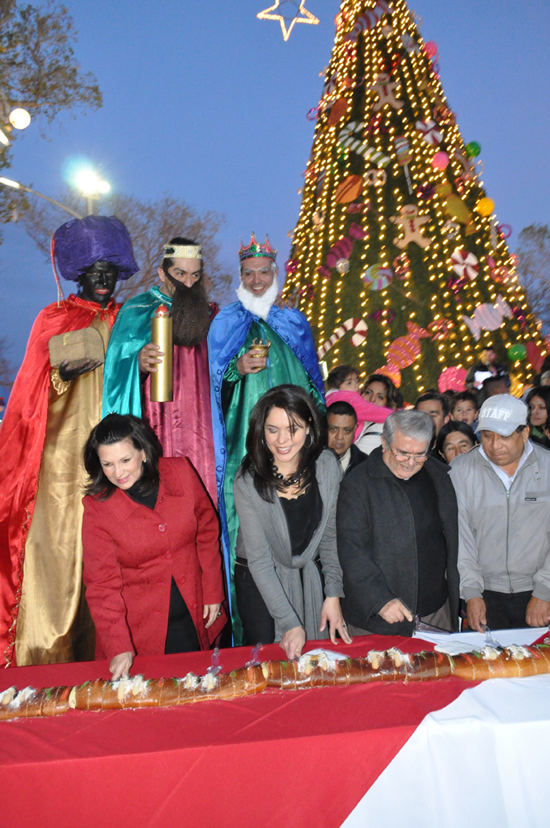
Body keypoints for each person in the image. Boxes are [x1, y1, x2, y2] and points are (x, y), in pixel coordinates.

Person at [0, 215, 138, 667]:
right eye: (95, 272)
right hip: (60, 467)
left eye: (111, 272)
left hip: (119, 465)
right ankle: (45, 663)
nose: (103, 281)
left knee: (113, 564)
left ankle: (111, 661)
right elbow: (29, 396)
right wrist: (61, 376)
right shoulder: (53, 319)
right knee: (58, 563)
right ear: (79, 274)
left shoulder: (129, 320)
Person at [208, 234, 324, 641]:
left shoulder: (294, 323)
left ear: (276, 274)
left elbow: (314, 388)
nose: (257, 280)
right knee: (249, 536)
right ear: (239, 277)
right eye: (248, 273)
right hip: (246, 447)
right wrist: (235, 369)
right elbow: (209, 390)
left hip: (297, 452)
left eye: (263, 272)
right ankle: (251, 633)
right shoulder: (224, 324)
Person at [82, 414, 227, 680]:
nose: (118, 472)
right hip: (139, 633)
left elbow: (207, 531)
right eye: (108, 464)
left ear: (144, 452)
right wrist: (118, 646)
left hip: (193, 615)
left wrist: (213, 591)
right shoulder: (97, 509)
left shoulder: (180, 472)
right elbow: (101, 585)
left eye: (125, 460)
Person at [233, 385, 351, 659]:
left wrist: (332, 593)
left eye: (293, 428)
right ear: (261, 432)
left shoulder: (326, 465)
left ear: (309, 427)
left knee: (318, 663)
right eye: (272, 430)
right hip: (259, 579)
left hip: (309, 573)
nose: (282, 440)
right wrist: (289, 622)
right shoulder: (249, 479)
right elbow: (261, 561)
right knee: (270, 666)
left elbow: (329, 537)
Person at [102, 237, 217, 502]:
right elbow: (114, 374)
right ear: (162, 272)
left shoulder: (210, 315)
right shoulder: (136, 310)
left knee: (199, 499)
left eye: (195, 275)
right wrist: (137, 363)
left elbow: (221, 371)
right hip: (155, 426)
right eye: (180, 274)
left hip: (201, 427)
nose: (188, 283)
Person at [337, 410, 460, 636]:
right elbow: (351, 551)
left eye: (420, 454)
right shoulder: (357, 485)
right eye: (403, 453)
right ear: (385, 442)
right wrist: (380, 600)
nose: (410, 463)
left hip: (434, 611)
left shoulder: (438, 476)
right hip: (379, 616)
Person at [450, 395, 550, 632]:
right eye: (487, 436)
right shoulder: (461, 471)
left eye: (504, 437)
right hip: (484, 595)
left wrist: (545, 590)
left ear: (524, 433)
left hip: (539, 592)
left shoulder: (547, 467)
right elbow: (461, 539)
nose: (495, 446)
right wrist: (472, 594)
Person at [356, 373, 403, 453]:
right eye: (368, 392)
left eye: (380, 397)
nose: (372, 399)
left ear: (388, 403)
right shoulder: (354, 419)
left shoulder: (384, 427)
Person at [326, 401, 367, 474]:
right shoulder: (309, 461)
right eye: (334, 429)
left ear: (355, 429)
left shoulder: (366, 466)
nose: (339, 437)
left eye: (347, 431)